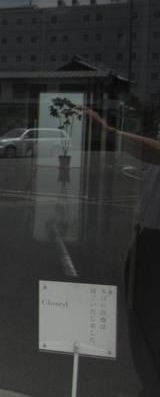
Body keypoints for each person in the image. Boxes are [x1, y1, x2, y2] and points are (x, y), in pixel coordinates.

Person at [83, 107, 160, 396]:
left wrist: (111, 133)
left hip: (154, 244)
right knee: (142, 326)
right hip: (146, 241)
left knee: (151, 325)